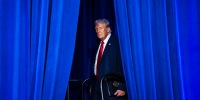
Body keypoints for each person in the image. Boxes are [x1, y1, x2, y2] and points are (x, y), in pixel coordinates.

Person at [90, 19, 127, 100]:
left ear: (108, 29)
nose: (98, 31)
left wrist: (122, 86)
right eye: (96, 29)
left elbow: (123, 66)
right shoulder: (97, 44)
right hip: (96, 86)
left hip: (112, 86)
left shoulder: (116, 43)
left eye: (100, 28)